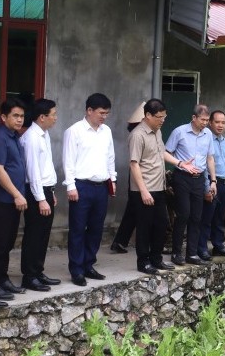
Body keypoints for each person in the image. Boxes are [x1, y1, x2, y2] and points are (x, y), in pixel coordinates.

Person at [129, 99, 194, 274]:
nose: (162, 120)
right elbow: (134, 164)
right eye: (159, 117)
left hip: (159, 187)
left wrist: (180, 163)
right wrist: (143, 191)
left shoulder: (156, 131)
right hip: (144, 189)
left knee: (161, 224)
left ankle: (156, 259)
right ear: (148, 115)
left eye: (165, 117)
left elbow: (162, 152)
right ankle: (143, 262)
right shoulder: (138, 135)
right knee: (144, 227)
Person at [62, 93, 116, 287]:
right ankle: (76, 269)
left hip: (101, 186)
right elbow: (68, 161)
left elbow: (110, 155)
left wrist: (113, 178)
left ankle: (88, 264)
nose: (104, 116)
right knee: (77, 229)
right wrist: (70, 186)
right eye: (101, 112)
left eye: (107, 113)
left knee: (96, 228)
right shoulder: (74, 131)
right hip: (81, 186)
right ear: (89, 110)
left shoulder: (106, 131)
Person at [165, 104, 216, 266]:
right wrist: (179, 164)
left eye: (208, 120)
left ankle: (192, 254)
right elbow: (166, 152)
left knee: (196, 217)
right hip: (182, 177)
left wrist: (213, 181)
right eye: (203, 120)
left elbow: (210, 158)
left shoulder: (208, 134)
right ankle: (176, 252)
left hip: (199, 179)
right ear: (194, 118)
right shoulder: (179, 132)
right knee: (184, 215)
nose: (205, 123)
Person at [20, 98, 62, 292]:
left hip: (45, 190)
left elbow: (45, 169)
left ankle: (38, 271)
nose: (55, 118)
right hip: (35, 192)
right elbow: (33, 172)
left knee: (43, 234)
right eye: (53, 114)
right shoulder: (31, 138)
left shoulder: (43, 134)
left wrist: (50, 192)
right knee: (34, 234)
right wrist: (40, 199)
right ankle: (29, 276)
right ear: (42, 117)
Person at [0, 98, 28, 306]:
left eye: (22, 116)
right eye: (15, 115)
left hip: (13, 201)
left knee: (7, 243)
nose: (19, 119)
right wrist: (16, 194)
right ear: (4, 117)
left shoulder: (14, 136)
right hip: (3, 200)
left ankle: (2, 279)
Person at [198, 110, 225, 260]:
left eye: (223, 122)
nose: (220, 125)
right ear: (210, 122)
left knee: (219, 217)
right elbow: (204, 165)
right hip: (212, 181)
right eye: (217, 122)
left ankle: (218, 246)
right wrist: (208, 186)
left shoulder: (224, 141)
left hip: (224, 183)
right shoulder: (205, 139)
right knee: (207, 217)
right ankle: (201, 248)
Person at [110, 102, 145, 254]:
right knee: (137, 210)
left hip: (142, 174)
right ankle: (123, 241)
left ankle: (120, 241)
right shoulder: (137, 135)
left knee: (132, 210)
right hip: (139, 174)